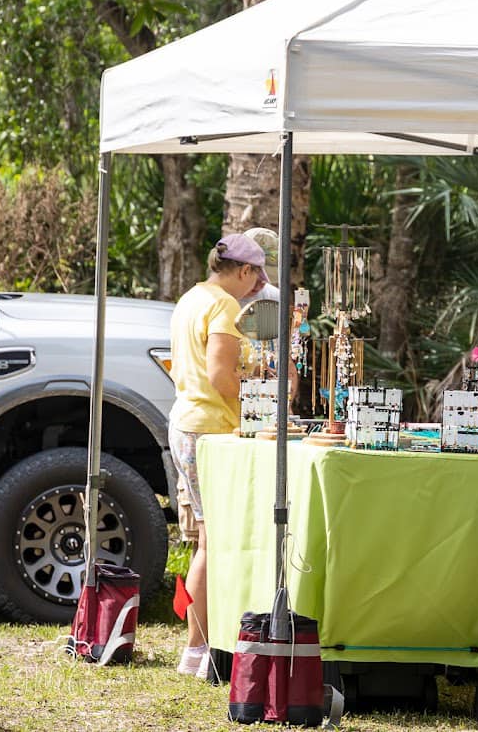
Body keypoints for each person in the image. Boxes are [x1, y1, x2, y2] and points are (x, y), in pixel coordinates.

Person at [169, 234, 268, 679]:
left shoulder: (192, 296)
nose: (256, 288)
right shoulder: (226, 306)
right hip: (208, 428)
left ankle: (200, 645)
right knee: (210, 543)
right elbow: (219, 374)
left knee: (205, 542)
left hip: (187, 422)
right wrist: (261, 403)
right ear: (243, 271)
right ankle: (197, 649)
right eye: (256, 277)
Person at [237, 227, 281, 307]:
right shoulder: (216, 298)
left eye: (265, 280)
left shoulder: (274, 297)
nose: (259, 285)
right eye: (257, 278)